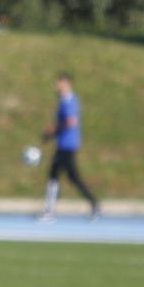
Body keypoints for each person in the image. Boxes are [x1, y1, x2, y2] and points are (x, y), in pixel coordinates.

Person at [38, 72, 100, 220]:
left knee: (57, 176)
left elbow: (71, 122)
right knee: (68, 177)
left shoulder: (69, 100)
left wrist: (53, 130)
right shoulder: (64, 100)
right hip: (64, 143)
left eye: (60, 83)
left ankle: (49, 211)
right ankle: (94, 204)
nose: (57, 86)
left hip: (67, 144)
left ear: (67, 84)